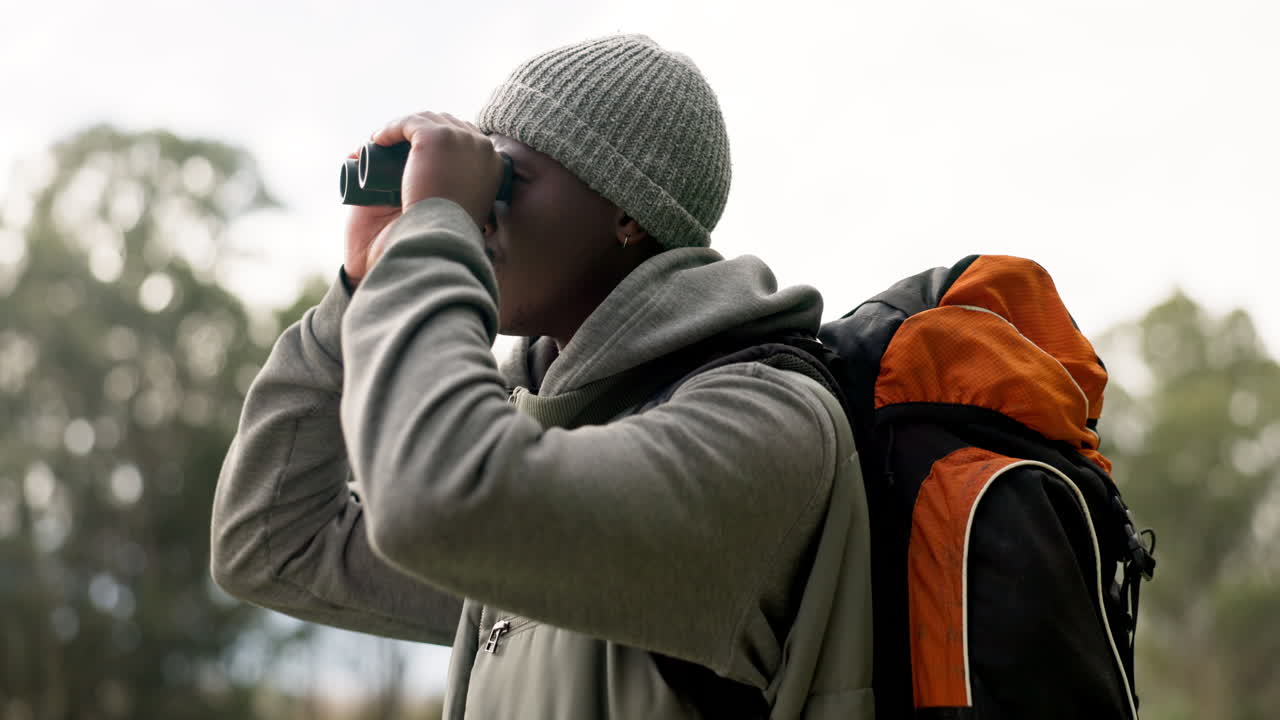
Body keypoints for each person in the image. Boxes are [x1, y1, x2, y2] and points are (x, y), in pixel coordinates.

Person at [211, 34, 872, 718]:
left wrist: (435, 229)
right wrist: (359, 290)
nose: (478, 215)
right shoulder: (536, 428)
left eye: (504, 178)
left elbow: (433, 501)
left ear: (627, 212)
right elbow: (270, 543)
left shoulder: (759, 425)